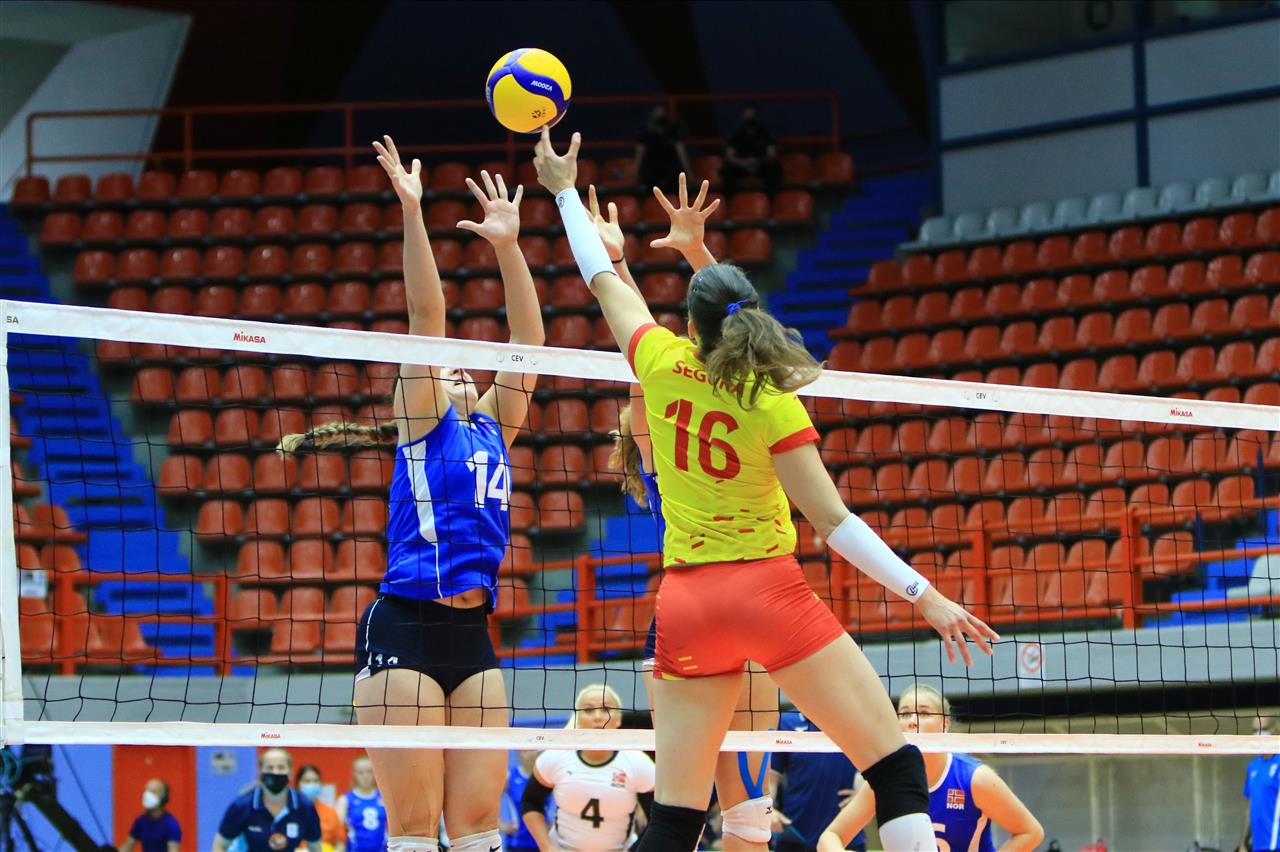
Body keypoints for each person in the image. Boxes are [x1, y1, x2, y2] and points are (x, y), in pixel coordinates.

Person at [533, 127, 999, 852]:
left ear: (689, 324)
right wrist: (925, 596)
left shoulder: (657, 362)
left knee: (679, 817)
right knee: (897, 769)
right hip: (767, 594)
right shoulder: (772, 397)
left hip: (687, 603)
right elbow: (835, 523)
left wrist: (563, 190)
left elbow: (602, 281)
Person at [279, 135, 544, 852]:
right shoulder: (423, 425)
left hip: (473, 630)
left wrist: (508, 246)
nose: (457, 368)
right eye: (445, 367)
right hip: (404, 626)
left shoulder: (494, 428)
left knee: (479, 829)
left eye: (463, 368)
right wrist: (412, 210)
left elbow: (529, 338)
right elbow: (427, 318)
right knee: (415, 831)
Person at [598, 178, 777, 851]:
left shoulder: (731, 403)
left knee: (742, 814)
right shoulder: (657, 437)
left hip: (726, 610)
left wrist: (671, 256)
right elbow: (649, 350)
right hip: (714, 611)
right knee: (689, 810)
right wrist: (631, 262)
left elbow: (733, 335)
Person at [817, 685, 1043, 852]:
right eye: (905, 713)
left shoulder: (973, 778)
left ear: (945, 724)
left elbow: (1030, 832)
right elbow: (830, 837)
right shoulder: (886, 781)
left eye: (924, 713)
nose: (912, 721)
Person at [521, 684, 655, 850]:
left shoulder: (637, 763)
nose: (597, 717)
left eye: (606, 709)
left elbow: (656, 820)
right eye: (589, 710)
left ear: (619, 718)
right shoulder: (556, 756)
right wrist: (546, 846)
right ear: (577, 718)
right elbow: (531, 802)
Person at [768, 713, 866, 852]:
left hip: (846, 834)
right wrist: (769, 809)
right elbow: (771, 776)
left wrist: (864, 794)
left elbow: (878, 760)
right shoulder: (786, 721)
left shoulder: (856, 719)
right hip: (795, 834)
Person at [213, 748, 322, 852]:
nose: (275, 772)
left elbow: (316, 849)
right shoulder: (241, 806)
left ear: (290, 773)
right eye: (270, 768)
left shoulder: (305, 807)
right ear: (260, 773)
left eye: (281, 767)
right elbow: (219, 846)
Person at [1238, 713, 1279, 852]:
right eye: (1255, 730)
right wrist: (1243, 843)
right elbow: (1250, 807)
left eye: (1264, 728)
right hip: (1258, 845)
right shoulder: (1253, 766)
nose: (1260, 733)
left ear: (1275, 730)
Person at [720, 105, 781, 197]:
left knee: (774, 169)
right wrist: (743, 163)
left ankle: (771, 199)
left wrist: (757, 162)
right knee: (727, 170)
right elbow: (730, 155)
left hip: (761, 164)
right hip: (741, 165)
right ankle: (730, 200)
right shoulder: (735, 133)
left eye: (752, 115)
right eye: (747, 115)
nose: (749, 118)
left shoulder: (765, 133)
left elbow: (771, 154)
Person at [636, 104, 693, 196]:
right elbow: (639, 155)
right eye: (657, 113)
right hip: (651, 176)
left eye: (661, 114)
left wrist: (689, 175)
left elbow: (681, 154)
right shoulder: (646, 132)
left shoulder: (673, 131)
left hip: (671, 175)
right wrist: (635, 176)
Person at [337, 756, 387, 852]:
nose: (365, 776)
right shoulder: (345, 800)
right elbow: (337, 829)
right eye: (361, 772)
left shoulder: (384, 798)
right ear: (354, 774)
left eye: (369, 771)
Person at [118, 777, 180, 852]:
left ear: (163, 796)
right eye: (146, 791)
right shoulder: (140, 821)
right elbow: (126, 847)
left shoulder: (171, 825)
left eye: (153, 792)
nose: (147, 795)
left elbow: (173, 850)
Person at [499, 751, 543, 851]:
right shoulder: (510, 777)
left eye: (533, 751)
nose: (530, 755)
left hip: (543, 842)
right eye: (525, 751)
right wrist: (501, 825)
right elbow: (490, 802)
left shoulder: (546, 777)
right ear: (519, 754)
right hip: (517, 843)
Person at [296, 764, 345, 852]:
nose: (312, 784)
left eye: (315, 781)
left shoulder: (330, 812)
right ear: (298, 785)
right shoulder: (290, 812)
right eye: (307, 781)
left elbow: (341, 843)